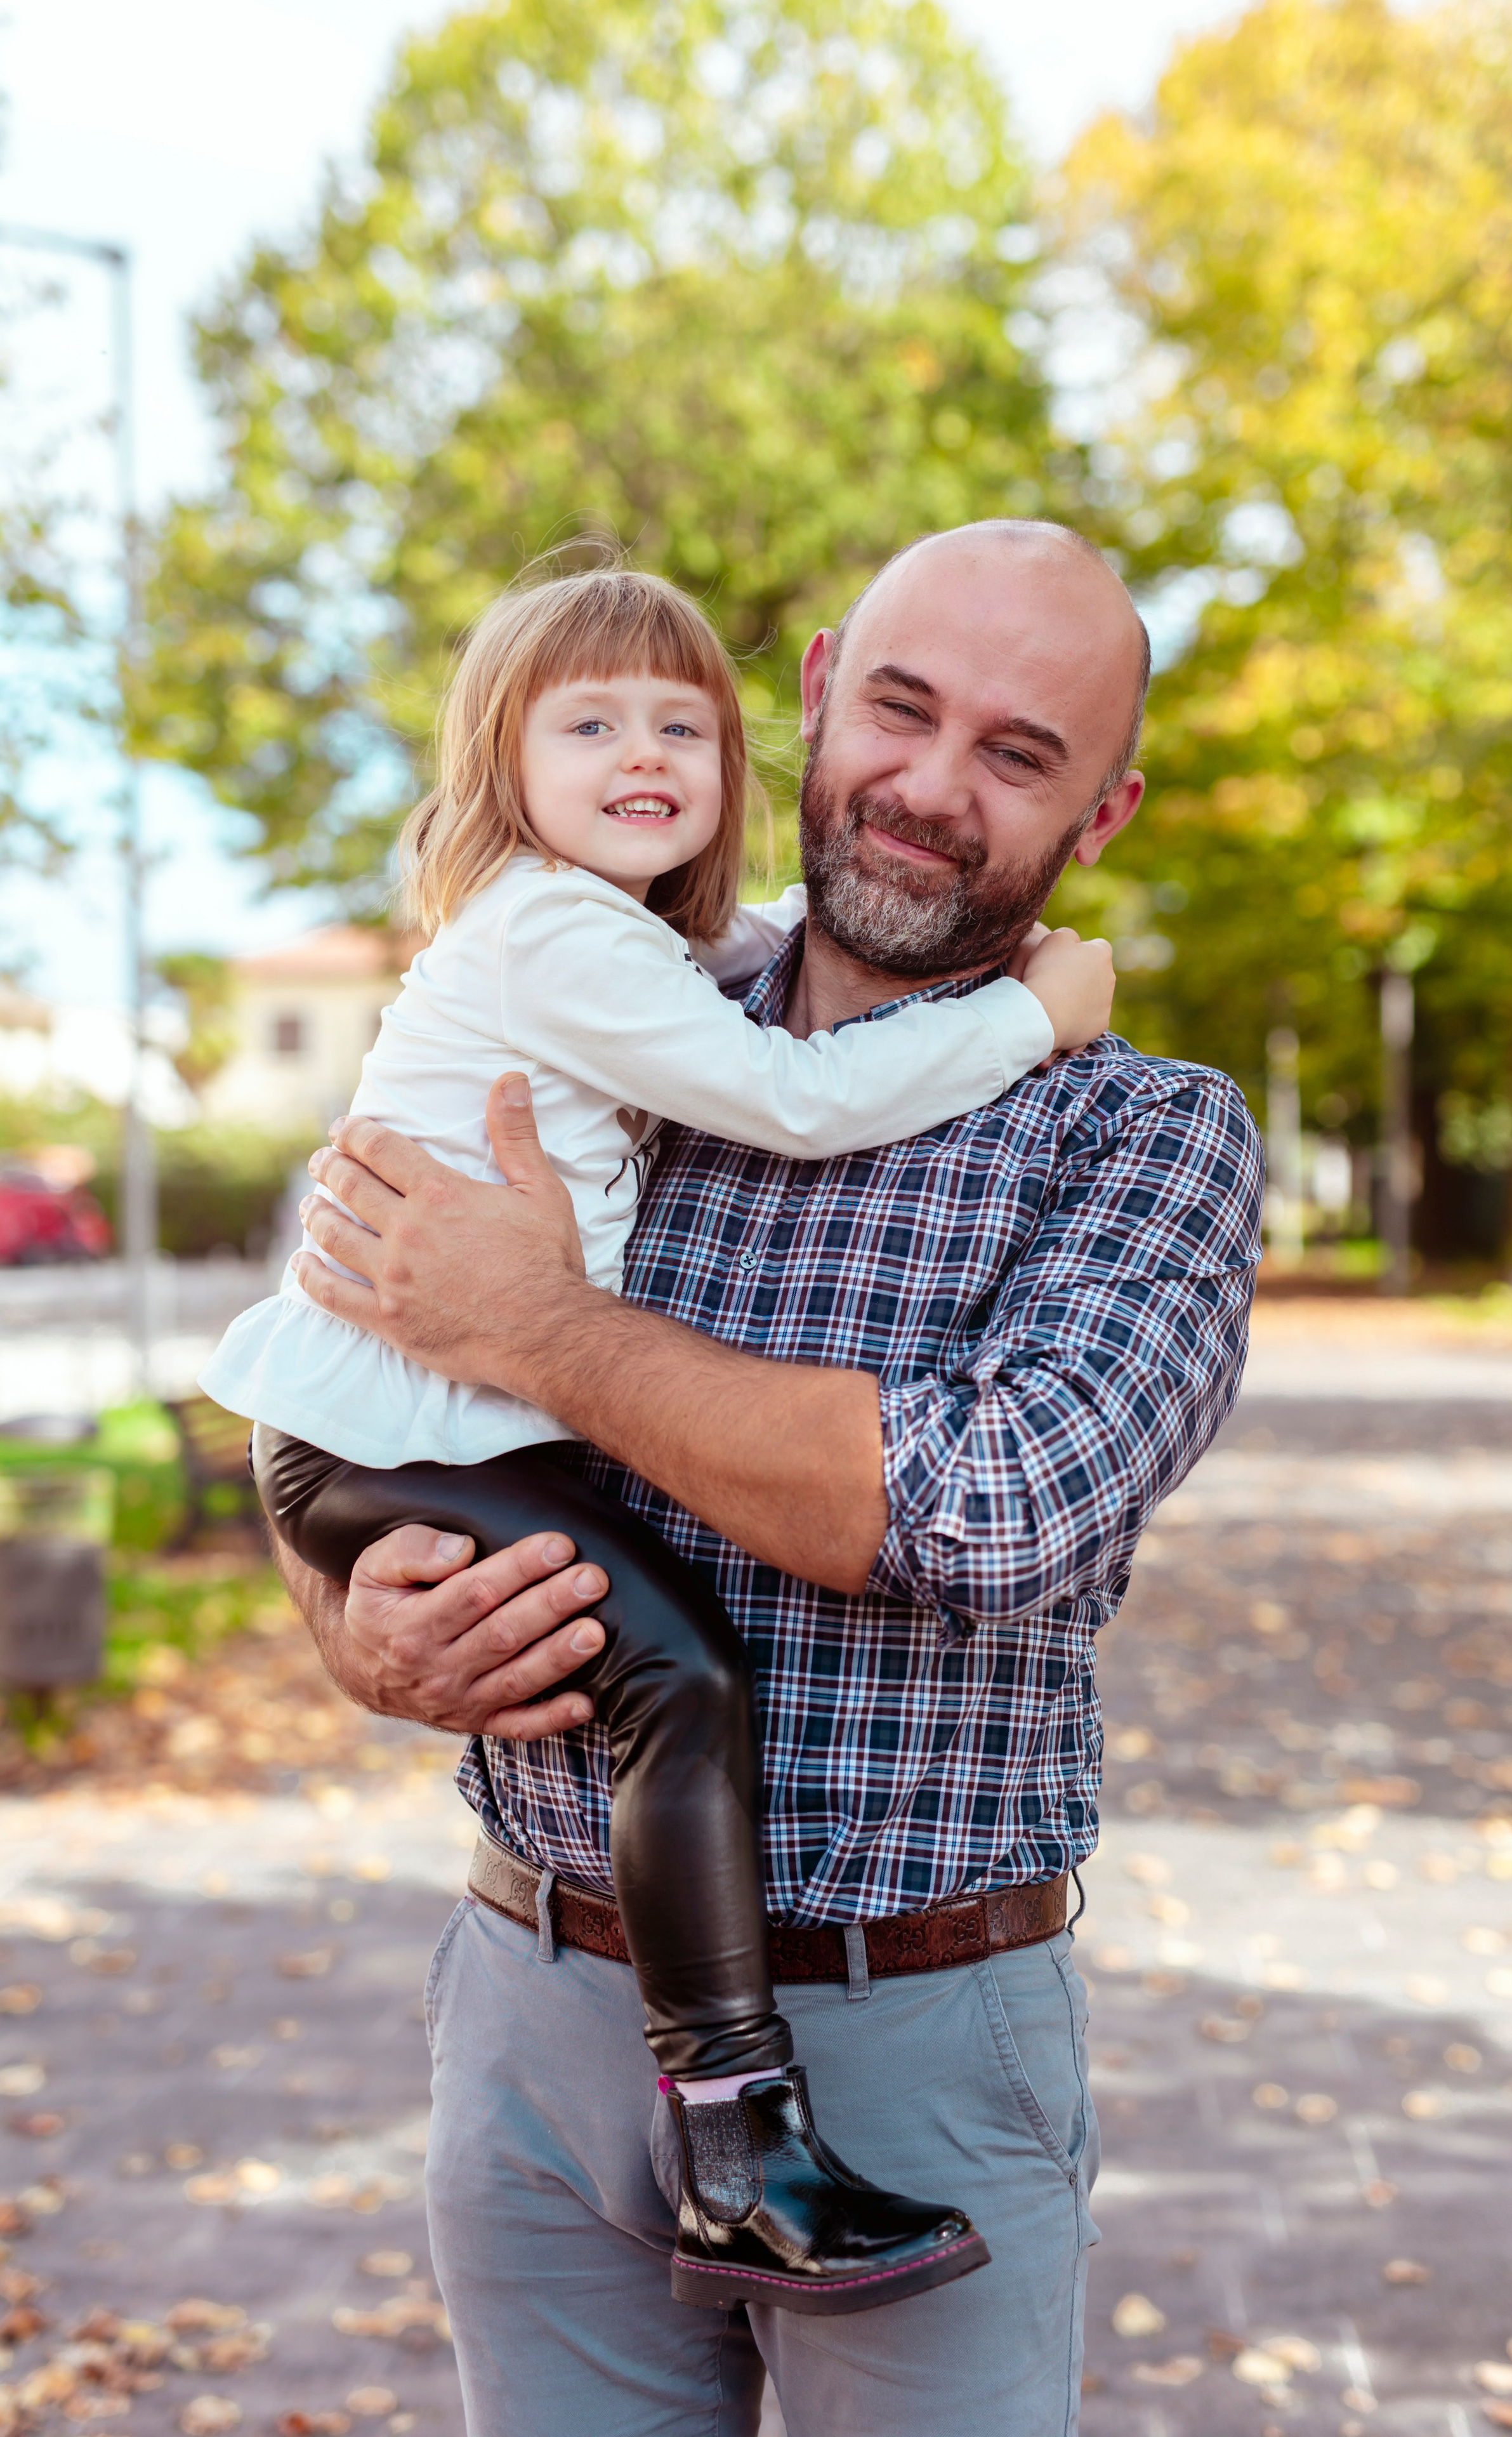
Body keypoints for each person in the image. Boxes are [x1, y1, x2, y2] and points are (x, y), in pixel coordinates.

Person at [269, 521, 1264, 2436]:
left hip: (909, 2033)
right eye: (900, 710)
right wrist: (357, 1632)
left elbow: (989, 1514)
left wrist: (547, 1329)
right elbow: (343, 1335)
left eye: (1017, 752)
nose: (930, 787)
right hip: (537, 2004)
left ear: (1105, 811)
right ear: (811, 695)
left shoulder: (1145, 1134)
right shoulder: (600, 1001)